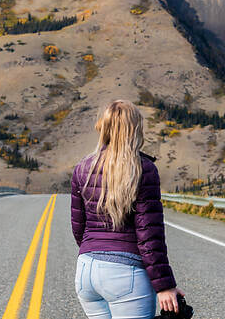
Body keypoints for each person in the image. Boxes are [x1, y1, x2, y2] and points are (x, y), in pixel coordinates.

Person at [71, 100, 184, 318]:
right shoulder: (143, 170)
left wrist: (97, 251)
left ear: (103, 127)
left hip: (86, 271)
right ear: (136, 128)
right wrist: (164, 286)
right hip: (125, 274)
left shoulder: (82, 168)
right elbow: (149, 235)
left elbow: (79, 228)